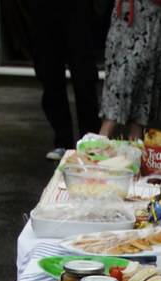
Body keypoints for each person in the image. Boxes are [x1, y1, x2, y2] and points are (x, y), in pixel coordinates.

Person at [29, 0, 102, 161]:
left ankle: (90, 142)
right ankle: (62, 142)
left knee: (84, 77)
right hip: (43, 11)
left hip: (76, 10)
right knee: (50, 77)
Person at [99, 0, 161, 140]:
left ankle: (121, 143)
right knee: (118, 77)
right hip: (125, 16)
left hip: (151, 15)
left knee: (141, 78)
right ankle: (103, 141)